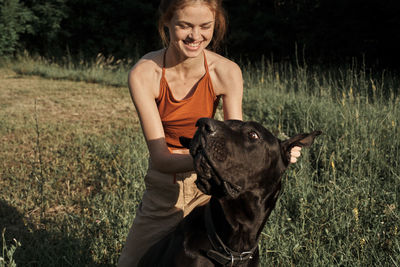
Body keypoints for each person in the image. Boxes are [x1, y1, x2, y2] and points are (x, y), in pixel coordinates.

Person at [117, 0, 302, 266]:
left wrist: (277, 153)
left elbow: (236, 146)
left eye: (205, 26)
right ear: (166, 23)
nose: (195, 36)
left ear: (216, 25)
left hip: (213, 188)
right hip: (165, 189)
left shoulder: (226, 71)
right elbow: (160, 158)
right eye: (184, 25)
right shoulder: (145, 73)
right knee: (131, 263)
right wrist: (211, 160)